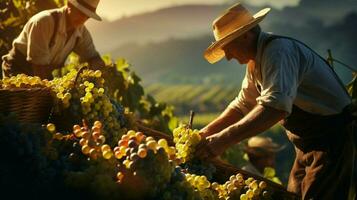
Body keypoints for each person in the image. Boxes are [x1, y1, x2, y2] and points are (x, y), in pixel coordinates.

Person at [195, 3, 356, 199]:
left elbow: (275, 107)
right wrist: (206, 133)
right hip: (306, 146)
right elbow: (242, 105)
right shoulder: (256, 62)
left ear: (245, 35)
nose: (227, 56)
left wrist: (223, 139)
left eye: (228, 48)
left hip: (331, 142)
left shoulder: (279, 52)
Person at [1, 0, 105, 79]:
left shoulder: (81, 32)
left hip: (42, 76)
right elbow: (39, 69)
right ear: (69, 5)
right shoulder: (44, 22)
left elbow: (94, 57)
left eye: (87, 16)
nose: (83, 19)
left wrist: (94, 74)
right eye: (81, 13)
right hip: (18, 70)